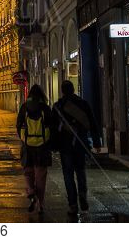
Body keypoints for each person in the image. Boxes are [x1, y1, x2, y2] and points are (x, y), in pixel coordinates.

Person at [52, 80, 101, 216]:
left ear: (62, 91)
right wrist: (97, 143)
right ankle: (83, 195)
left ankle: (73, 205)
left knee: (68, 175)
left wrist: (54, 146)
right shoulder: (83, 104)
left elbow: (53, 129)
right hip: (81, 144)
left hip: (65, 146)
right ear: (73, 90)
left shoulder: (58, 106)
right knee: (80, 171)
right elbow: (92, 122)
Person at [17, 85, 52, 214]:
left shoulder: (25, 107)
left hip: (27, 146)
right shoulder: (45, 108)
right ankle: (41, 204)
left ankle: (31, 192)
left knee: (28, 172)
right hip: (42, 146)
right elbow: (51, 125)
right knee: (40, 176)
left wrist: (23, 140)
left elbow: (18, 125)